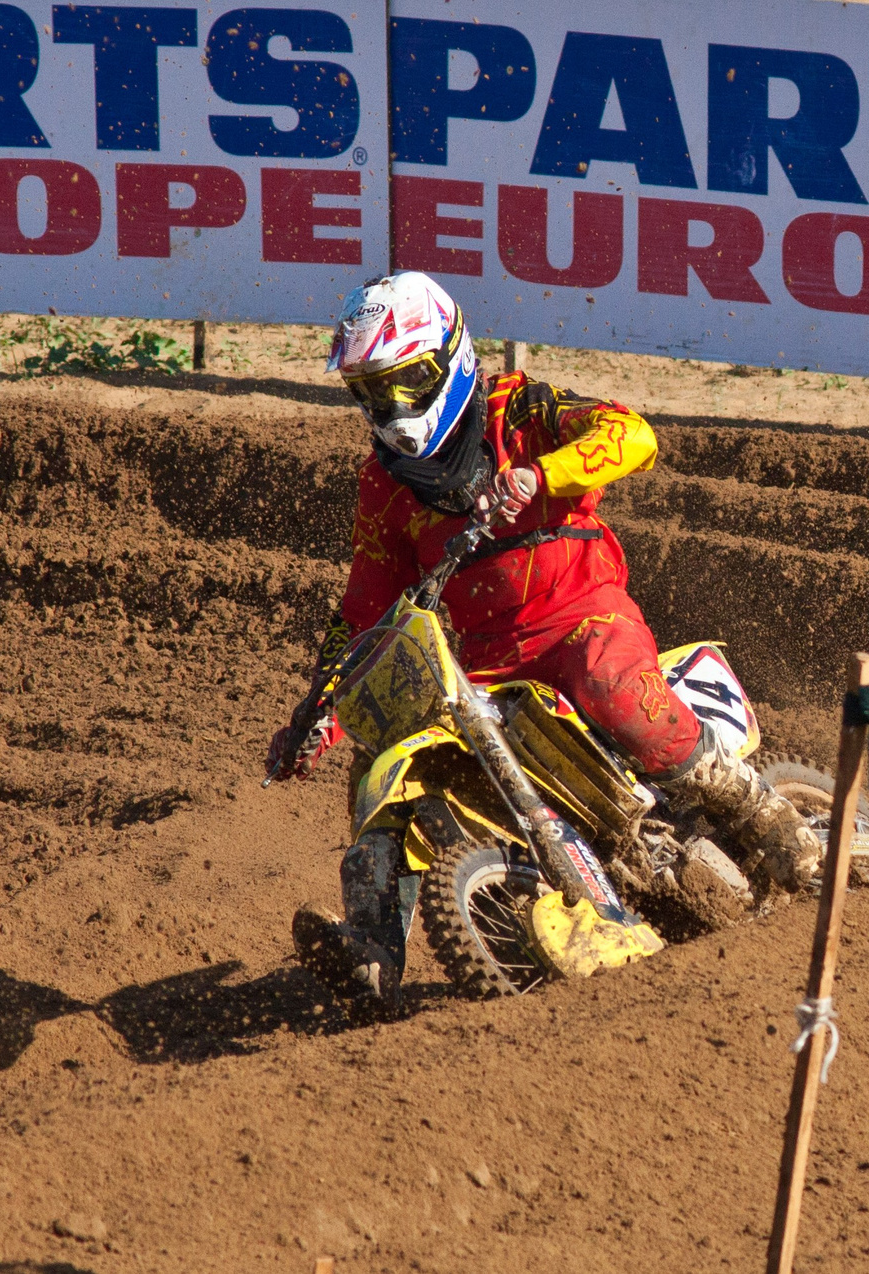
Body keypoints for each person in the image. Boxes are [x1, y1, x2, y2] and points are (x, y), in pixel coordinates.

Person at [267, 271, 822, 1016]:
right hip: (487, 665)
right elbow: (366, 607)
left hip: (584, 615)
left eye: (405, 382)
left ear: (449, 359)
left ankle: (764, 815)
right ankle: (371, 948)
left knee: (609, 682)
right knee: (382, 763)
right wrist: (321, 711)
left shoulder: (517, 409)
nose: (393, 408)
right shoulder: (385, 485)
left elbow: (633, 433)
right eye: (372, 391)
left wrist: (540, 474)